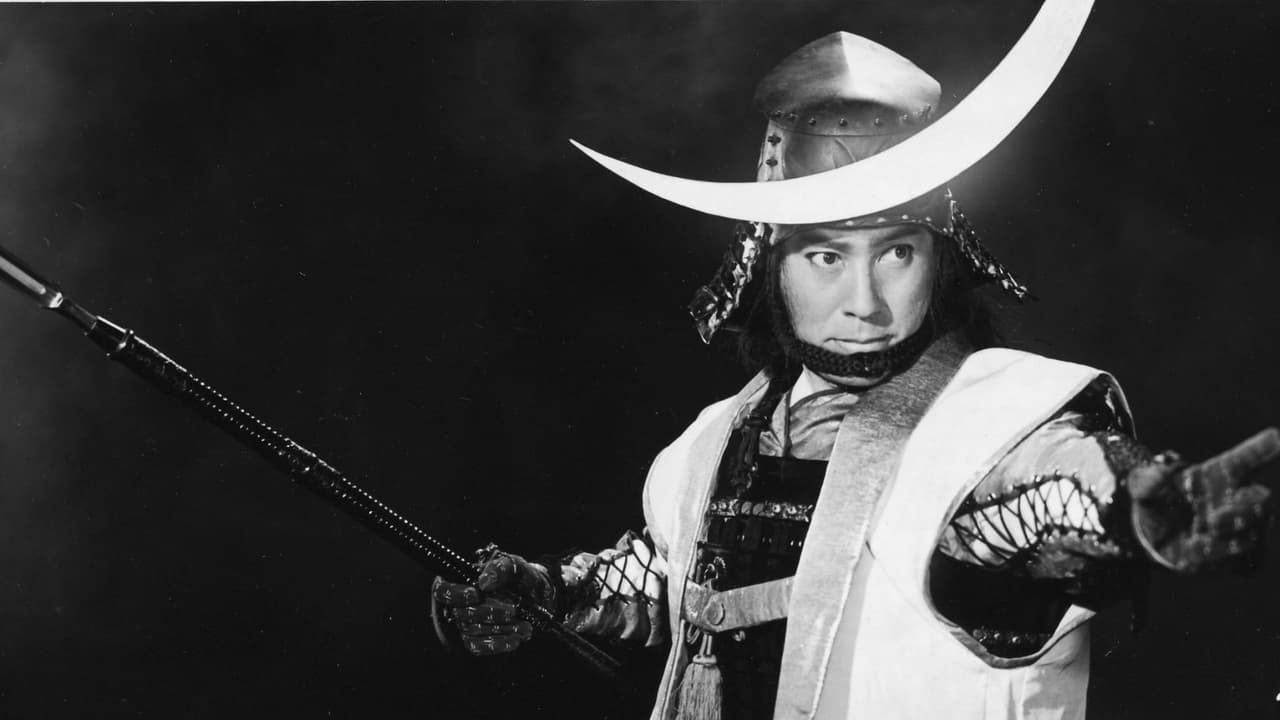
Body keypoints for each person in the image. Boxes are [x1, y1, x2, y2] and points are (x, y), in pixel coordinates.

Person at [430, 26, 1279, 720]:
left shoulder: (997, 423)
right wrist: (548, 590)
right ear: (770, 267)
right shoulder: (712, 442)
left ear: (940, 259)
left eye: (897, 253)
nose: (865, 302)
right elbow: (673, 578)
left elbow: (1041, 498)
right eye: (827, 257)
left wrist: (1138, 507)